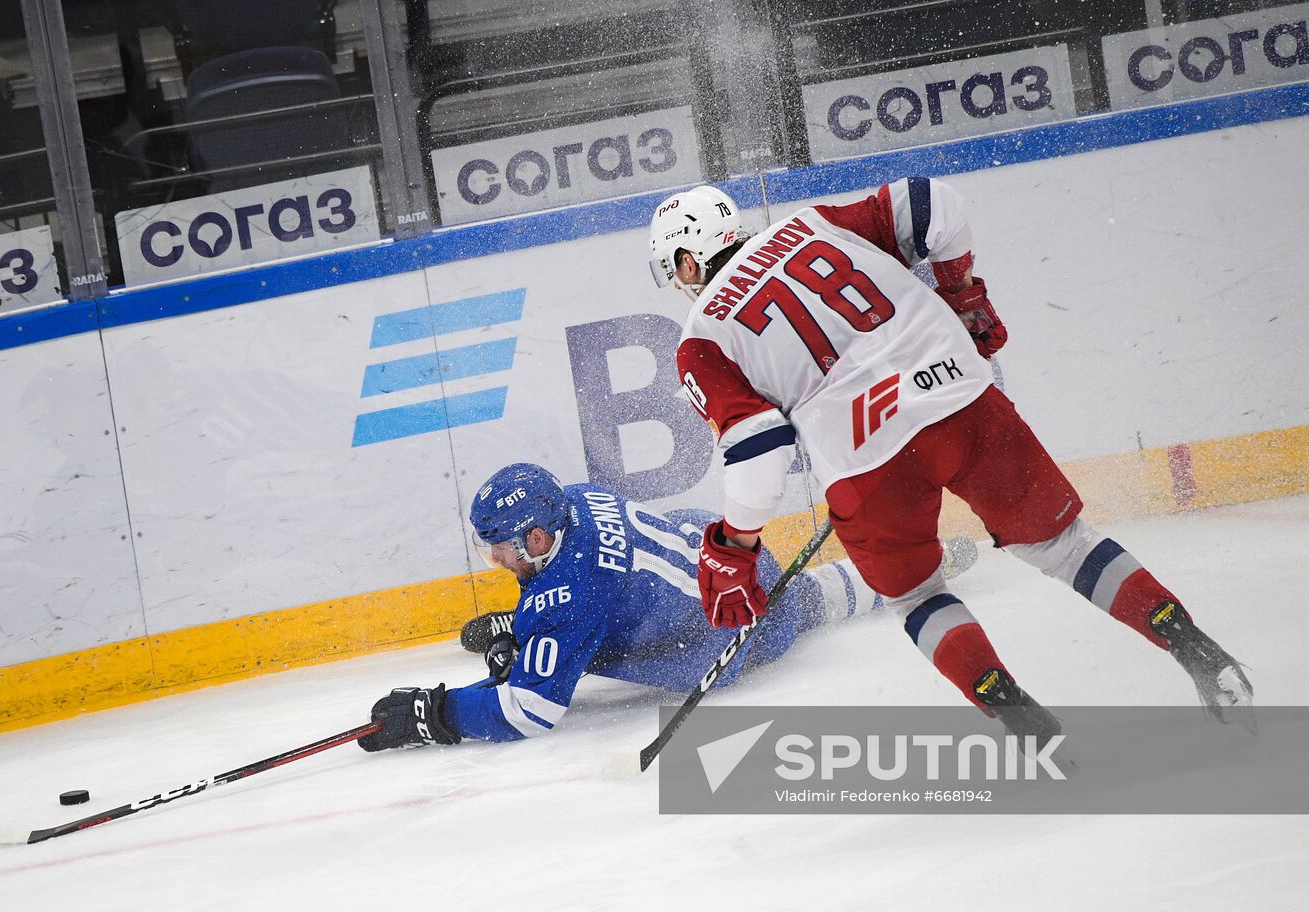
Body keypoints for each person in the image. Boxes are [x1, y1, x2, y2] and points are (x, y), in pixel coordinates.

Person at [646, 178, 1253, 739]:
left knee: (916, 597)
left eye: (675, 272)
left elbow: (758, 450)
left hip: (866, 463)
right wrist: (961, 294)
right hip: (961, 398)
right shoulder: (818, 224)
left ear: (689, 259)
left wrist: (734, 546)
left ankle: (1020, 716)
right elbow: (934, 204)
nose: (682, 287)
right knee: (1064, 544)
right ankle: (1195, 647)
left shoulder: (702, 336)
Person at [355, 462, 975, 751]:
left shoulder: (567, 593)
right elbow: (587, 597)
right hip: (719, 557)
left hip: (725, 631)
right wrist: (528, 630)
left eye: (503, 549)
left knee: (804, 605)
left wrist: (435, 714)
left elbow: (529, 712)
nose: (497, 561)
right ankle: (932, 560)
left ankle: (926, 566)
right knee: (804, 597)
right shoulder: (574, 497)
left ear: (538, 538)